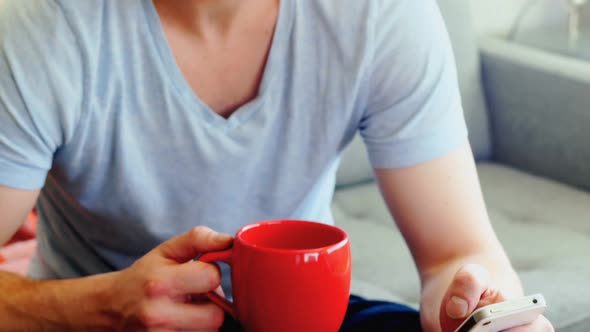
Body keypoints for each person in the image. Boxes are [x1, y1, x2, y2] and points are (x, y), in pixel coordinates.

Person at [0, 0, 553, 331]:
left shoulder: (381, 16)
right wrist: (102, 307)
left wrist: (485, 312)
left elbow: (457, 256)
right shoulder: (44, 29)